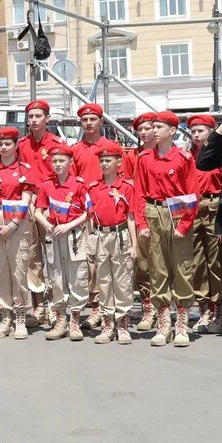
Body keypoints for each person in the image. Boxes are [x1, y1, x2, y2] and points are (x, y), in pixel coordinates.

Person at [134, 111, 198, 347]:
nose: (154, 130)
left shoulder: (183, 158)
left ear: (172, 131)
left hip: (178, 213)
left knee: (181, 267)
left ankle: (181, 323)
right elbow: (139, 192)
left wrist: (185, 224)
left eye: (159, 127)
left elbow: (193, 194)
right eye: (153, 126)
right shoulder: (144, 158)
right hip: (153, 212)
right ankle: (163, 323)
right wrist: (141, 223)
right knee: (157, 269)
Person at [0, 127, 37, 339]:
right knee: (0, 270)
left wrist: (11, 226)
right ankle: (5, 318)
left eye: (8, 144)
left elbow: (26, 199)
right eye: (0, 144)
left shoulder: (25, 169)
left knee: (18, 269)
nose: (3, 148)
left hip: (17, 220)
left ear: (15, 145)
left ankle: (21, 316)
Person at [33, 145, 89, 341]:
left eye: (61, 161)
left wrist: (69, 226)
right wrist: (48, 226)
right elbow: (38, 211)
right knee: (56, 277)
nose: (57, 164)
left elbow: (88, 212)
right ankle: (60, 320)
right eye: (54, 161)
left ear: (70, 162)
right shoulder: (46, 185)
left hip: (74, 235)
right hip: (54, 235)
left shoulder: (79, 185)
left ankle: (75, 320)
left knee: (77, 275)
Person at [71, 103, 118, 331]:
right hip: (85, 214)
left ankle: (108, 307)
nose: (88, 123)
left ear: (101, 121)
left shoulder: (111, 147)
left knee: (109, 261)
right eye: (84, 120)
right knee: (89, 262)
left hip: (107, 212)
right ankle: (96, 305)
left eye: (93, 119)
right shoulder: (75, 149)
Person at [18, 100, 64, 325]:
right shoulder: (22, 145)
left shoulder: (56, 143)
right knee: (32, 255)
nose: (34, 120)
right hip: (28, 200)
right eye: (31, 116)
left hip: (50, 201)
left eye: (38, 116)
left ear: (47, 118)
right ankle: (38, 305)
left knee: (54, 254)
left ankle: (58, 304)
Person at [86, 143, 137, 344]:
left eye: (109, 160)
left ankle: (123, 324)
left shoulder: (126, 187)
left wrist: (134, 245)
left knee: (122, 279)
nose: (105, 164)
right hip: (100, 236)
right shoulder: (93, 188)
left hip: (120, 235)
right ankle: (108, 323)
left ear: (119, 162)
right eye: (102, 161)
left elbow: (131, 217)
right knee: (104, 280)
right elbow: (89, 218)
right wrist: (90, 243)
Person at [188, 114, 222, 334]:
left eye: (200, 131)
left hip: (213, 207)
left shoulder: (218, 153)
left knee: (216, 262)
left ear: (211, 132)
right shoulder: (190, 154)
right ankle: (204, 307)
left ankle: (218, 308)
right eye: (193, 131)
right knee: (197, 262)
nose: (196, 135)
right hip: (194, 208)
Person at [123, 113, 158, 331]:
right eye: (141, 129)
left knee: (164, 261)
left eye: (148, 128)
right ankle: (148, 308)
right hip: (140, 211)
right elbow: (128, 185)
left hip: (163, 210)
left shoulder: (167, 154)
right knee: (144, 263)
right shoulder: (131, 156)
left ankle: (165, 305)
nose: (144, 132)